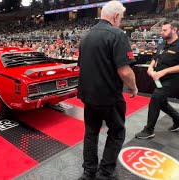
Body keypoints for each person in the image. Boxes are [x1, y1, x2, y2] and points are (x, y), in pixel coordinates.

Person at [77, 1, 138, 180]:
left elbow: (82, 65)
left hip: (88, 95)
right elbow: (125, 70)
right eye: (121, 17)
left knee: (91, 132)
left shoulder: (86, 36)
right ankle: (105, 171)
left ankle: (89, 171)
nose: (121, 21)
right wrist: (133, 87)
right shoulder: (117, 34)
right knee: (117, 131)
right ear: (116, 16)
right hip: (109, 96)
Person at [135, 21, 179, 139]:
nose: (161, 32)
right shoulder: (162, 44)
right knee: (162, 103)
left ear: (174, 30)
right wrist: (150, 67)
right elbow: (155, 58)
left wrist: (164, 71)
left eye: (165, 30)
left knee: (155, 98)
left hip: (173, 80)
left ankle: (149, 130)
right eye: (162, 30)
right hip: (160, 79)